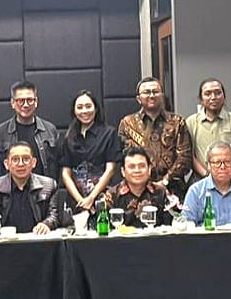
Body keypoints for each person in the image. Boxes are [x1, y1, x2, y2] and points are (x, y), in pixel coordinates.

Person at [118, 77, 192, 199]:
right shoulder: (128, 123)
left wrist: (165, 181)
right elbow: (125, 157)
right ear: (138, 98)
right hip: (137, 190)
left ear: (162, 95)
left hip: (172, 190)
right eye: (147, 92)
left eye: (155, 91)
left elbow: (185, 157)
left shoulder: (177, 122)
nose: (151, 95)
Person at [60, 90, 122, 223]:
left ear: (96, 108)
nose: (84, 111)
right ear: (74, 111)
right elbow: (65, 173)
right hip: (75, 200)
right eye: (80, 107)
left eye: (88, 106)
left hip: (102, 197)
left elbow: (111, 169)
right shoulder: (69, 136)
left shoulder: (109, 133)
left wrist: (91, 198)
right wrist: (80, 200)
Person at [0, 141, 59, 234]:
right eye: (15, 159)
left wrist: (46, 224)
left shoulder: (49, 186)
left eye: (26, 159)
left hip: (38, 240)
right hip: (4, 241)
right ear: (6, 164)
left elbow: (54, 215)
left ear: (33, 162)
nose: (21, 164)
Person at [185, 78, 231, 181]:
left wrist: (227, 172)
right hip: (202, 181)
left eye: (218, 93)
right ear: (201, 98)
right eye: (208, 94)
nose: (213, 97)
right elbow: (189, 155)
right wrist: (207, 175)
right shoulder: (191, 122)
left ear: (224, 96)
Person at [0, 80, 60, 180]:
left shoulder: (50, 130)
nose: (25, 105)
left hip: (44, 188)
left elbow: (58, 166)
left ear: (36, 102)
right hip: (10, 188)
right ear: (13, 103)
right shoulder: (1, 132)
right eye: (20, 100)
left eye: (29, 100)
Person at [104, 147, 172, 228]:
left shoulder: (161, 192)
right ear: (123, 171)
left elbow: (170, 227)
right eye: (131, 167)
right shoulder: (112, 195)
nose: (137, 170)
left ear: (149, 169)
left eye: (142, 166)